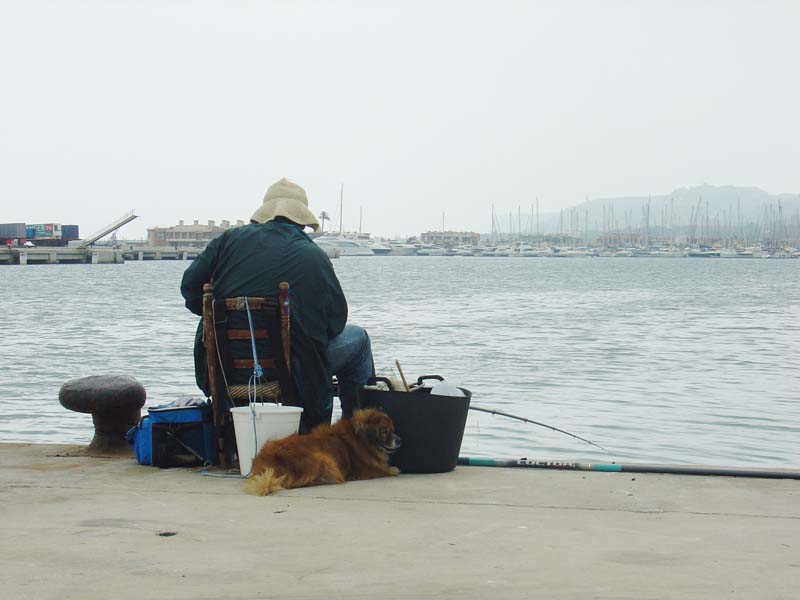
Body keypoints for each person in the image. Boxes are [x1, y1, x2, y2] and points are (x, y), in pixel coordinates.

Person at [180, 178, 375, 433]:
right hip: (295, 371)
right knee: (358, 340)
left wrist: (222, 320)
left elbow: (190, 290)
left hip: (226, 368)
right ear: (302, 220)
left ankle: (228, 435)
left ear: (265, 214)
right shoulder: (313, 255)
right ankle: (354, 436)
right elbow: (335, 322)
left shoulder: (228, 241)